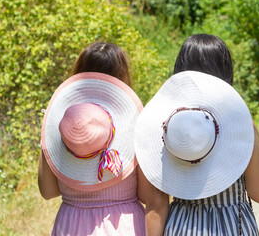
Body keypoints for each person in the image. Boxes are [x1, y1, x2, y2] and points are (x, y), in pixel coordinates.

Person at [134, 34, 259, 236]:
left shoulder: (166, 128)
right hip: (233, 226)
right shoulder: (241, 126)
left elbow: (156, 205)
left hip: (182, 226)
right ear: (225, 71)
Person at [38, 42, 169, 236]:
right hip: (121, 225)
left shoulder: (65, 126)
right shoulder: (134, 126)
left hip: (72, 225)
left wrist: (47, 135)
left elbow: (48, 191)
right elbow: (148, 196)